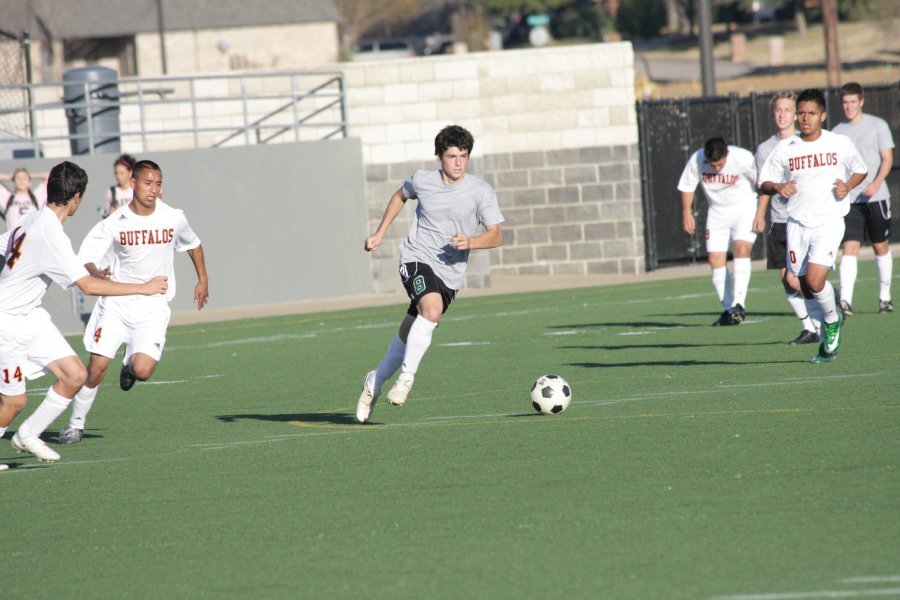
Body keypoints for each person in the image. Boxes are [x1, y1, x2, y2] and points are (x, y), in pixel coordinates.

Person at [0, 161, 168, 469]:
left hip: (31, 317)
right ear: (76, 197)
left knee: (76, 374)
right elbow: (89, 287)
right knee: (14, 401)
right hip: (7, 322)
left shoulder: (32, 219)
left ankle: (28, 434)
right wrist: (143, 287)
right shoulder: (51, 232)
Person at [355, 125, 503, 424]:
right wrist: (379, 233)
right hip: (416, 258)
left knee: (411, 330)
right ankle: (406, 380)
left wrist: (471, 242)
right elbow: (400, 197)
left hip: (450, 275)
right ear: (439, 158)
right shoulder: (422, 181)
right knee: (431, 309)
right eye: (452, 156)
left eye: (464, 156)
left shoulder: (481, 191)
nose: (459, 163)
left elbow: (496, 235)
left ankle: (375, 382)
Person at [57, 159, 209, 445]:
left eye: (159, 184)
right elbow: (86, 257)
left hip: (152, 307)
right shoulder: (115, 223)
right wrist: (94, 271)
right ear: (134, 184)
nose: (154, 190)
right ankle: (75, 425)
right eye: (148, 183)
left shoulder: (173, 217)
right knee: (98, 367)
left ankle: (130, 362)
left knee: (143, 371)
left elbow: (193, 243)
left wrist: (203, 279)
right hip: (116, 305)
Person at [758, 88, 867, 364]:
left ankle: (831, 321)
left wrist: (848, 185)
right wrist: (778, 186)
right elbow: (763, 182)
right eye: (802, 113)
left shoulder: (838, 143)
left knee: (816, 280)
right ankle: (825, 337)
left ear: (823, 116)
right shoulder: (786, 148)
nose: (805, 118)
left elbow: (860, 169)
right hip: (796, 224)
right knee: (803, 283)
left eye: (811, 113)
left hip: (829, 221)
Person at [753, 92, 819, 345]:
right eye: (778, 110)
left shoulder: (806, 143)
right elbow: (763, 186)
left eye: (787, 110)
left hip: (803, 218)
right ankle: (810, 329)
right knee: (786, 279)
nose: (782, 114)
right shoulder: (765, 149)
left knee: (799, 277)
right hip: (779, 220)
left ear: (796, 114)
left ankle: (828, 302)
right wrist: (760, 214)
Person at [678, 137, 759, 326]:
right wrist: (686, 213)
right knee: (715, 259)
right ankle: (729, 310)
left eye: (720, 164)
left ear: (726, 154)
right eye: (712, 165)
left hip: (744, 208)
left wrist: (760, 213)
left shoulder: (742, 157)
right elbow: (687, 185)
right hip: (717, 212)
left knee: (741, 249)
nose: (716, 169)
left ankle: (739, 303)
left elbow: (762, 183)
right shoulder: (697, 159)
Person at [833, 82, 895, 315]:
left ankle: (885, 299)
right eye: (845, 103)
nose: (848, 107)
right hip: (850, 200)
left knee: (880, 246)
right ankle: (845, 301)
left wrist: (877, 182)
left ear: (861, 101)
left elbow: (887, 158)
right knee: (849, 247)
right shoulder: (837, 131)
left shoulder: (877, 125)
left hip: (876, 197)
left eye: (852, 102)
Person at [0, 168, 49, 232]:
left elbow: (50, 176)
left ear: (29, 182)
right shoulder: (8, 198)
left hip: (31, 239)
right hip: (13, 239)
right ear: (14, 181)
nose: (21, 181)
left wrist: (30, 175)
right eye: (18, 178)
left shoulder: (36, 197)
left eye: (24, 178)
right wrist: (10, 177)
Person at [102, 154, 136, 218]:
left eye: (121, 173)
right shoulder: (112, 191)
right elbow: (107, 215)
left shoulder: (136, 190)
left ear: (130, 172)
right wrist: (110, 213)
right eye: (116, 173)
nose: (118, 176)